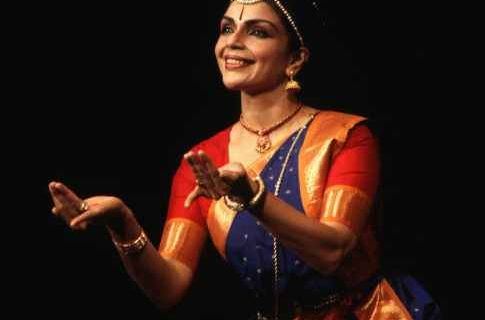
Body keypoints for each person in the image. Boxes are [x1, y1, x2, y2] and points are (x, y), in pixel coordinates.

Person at [48, 0, 442, 319]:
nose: (232, 42)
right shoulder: (202, 161)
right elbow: (168, 289)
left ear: (296, 59)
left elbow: (332, 252)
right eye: (226, 29)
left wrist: (254, 199)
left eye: (257, 31)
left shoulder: (345, 136)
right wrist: (122, 223)